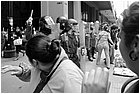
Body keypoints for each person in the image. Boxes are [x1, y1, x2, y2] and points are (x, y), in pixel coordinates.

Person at [82, 1, 139, 93]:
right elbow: (109, 40)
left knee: (102, 55)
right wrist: (112, 43)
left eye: (120, 36)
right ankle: (108, 65)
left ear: (135, 45)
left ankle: (99, 63)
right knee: (107, 55)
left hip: (100, 45)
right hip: (105, 45)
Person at [1, 34, 84, 93]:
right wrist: (23, 71)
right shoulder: (48, 63)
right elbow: (36, 74)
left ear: (34, 62)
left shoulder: (70, 77)